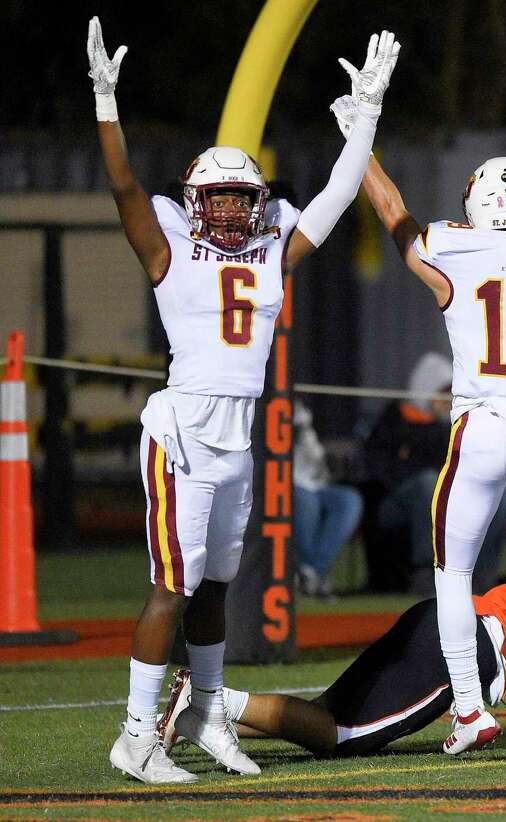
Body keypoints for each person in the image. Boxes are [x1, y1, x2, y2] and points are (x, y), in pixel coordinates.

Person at [88, 17, 398, 783]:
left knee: (217, 584)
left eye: (240, 198)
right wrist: (105, 104)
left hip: (237, 439)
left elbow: (330, 197)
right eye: (217, 198)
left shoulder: (271, 250)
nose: (229, 211)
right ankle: (136, 736)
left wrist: (367, 120)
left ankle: (207, 711)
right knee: (173, 584)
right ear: (193, 201)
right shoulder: (167, 244)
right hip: (183, 435)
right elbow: (125, 185)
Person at [330, 92, 506, 754]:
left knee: (452, 577)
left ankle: (470, 711)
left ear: (474, 207)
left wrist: (361, 147)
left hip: (483, 430)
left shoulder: (452, 252)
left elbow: (392, 214)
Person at [159, 575, 506, 757]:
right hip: (467, 649)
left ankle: (202, 718)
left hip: (441, 620)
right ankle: (210, 699)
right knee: (335, 736)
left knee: (323, 716)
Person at [366, 352, 506, 595]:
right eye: (442, 394)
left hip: (450, 496)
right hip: (395, 503)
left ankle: (482, 575)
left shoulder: (455, 425)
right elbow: (381, 470)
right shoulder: (395, 419)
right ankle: (428, 572)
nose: (448, 401)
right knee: (428, 485)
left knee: (500, 492)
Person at [293, 400, 364, 598]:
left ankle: (311, 570)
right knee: (307, 501)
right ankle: (315, 576)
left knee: (349, 499)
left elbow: (314, 453)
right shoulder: (268, 404)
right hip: (287, 482)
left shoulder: (299, 408)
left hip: (317, 482)